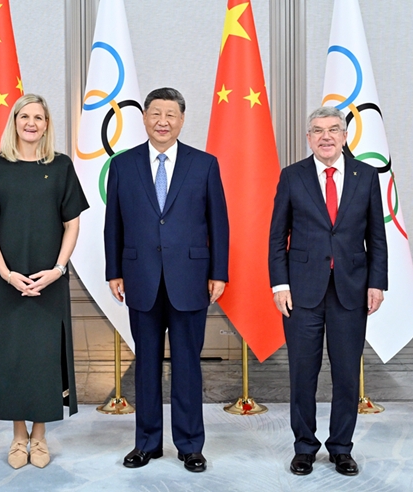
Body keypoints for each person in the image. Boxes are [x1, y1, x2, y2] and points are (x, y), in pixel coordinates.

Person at [104, 87, 229, 473]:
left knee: (188, 364)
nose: (163, 121)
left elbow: (218, 223)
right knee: (146, 364)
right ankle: (147, 443)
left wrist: (219, 273)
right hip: (140, 277)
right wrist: (113, 271)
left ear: (182, 119)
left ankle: (190, 445)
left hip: (191, 279)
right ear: (144, 118)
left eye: (170, 114)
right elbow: (113, 223)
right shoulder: (123, 165)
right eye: (155, 113)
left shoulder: (204, 164)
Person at [268, 105, 388, 477]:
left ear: (344, 136)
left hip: (351, 290)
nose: (326, 136)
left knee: (347, 374)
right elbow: (277, 237)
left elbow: (377, 238)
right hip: (301, 292)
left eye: (333, 129)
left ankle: (341, 448)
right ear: (309, 138)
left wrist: (377, 282)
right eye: (318, 130)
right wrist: (280, 284)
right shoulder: (292, 176)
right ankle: (304, 447)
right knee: (302, 373)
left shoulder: (366, 176)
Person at [0, 93, 89, 469]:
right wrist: (7, 273)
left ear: (46, 125)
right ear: (14, 121)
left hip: (49, 281)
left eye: (39, 117)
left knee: (43, 360)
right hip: (7, 280)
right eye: (25, 116)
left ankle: (39, 437)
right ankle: (18, 436)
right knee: (13, 359)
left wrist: (58, 269)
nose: (31, 123)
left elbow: (72, 224)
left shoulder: (61, 166)